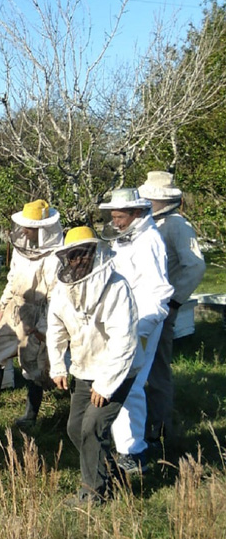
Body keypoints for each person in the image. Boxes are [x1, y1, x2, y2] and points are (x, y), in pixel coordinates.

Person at [47, 226, 141, 505]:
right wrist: (57, 366)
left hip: (119, 371)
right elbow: (56, 329)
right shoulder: (63, 289)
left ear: (94, 253)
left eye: (83, 254)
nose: (78, 261)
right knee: (76, 429)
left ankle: (93, 494)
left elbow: (124, 340)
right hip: (84, 368)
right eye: (72, 256)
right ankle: (112, 475)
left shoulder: (116, 287)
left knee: (92, 427)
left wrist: (106, 384)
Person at [0, 200, 62, 427]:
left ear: (41, 229)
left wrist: (45, 328)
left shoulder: (53, 256)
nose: (24, 232)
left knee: (32, 365)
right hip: (15, 308)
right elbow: (12, 278)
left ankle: (31, 415)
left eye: (29, 228)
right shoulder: (21, 249)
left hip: (38, 314)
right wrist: (3, 305)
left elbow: (56, 295)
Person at [99, 187, 173, 475]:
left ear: (138, 213)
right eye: (114, 216)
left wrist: (140, 330)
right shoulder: (127, 238)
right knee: (117, 382)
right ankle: (121, 444)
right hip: (122, 321)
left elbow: (158, 291)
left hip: (143, 322)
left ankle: (134, 451)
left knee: (131, 385)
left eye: (120, 216)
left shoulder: (149, 241)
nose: (116, 222)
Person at [138, 172, 205, 444]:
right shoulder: (153, 223)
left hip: (162, 307)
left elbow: (196, 265)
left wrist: (175, 301)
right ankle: (145, 422)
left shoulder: (177, 225)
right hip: (144, 307)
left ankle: (160, 427)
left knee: (157, 369)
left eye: (149, 198)